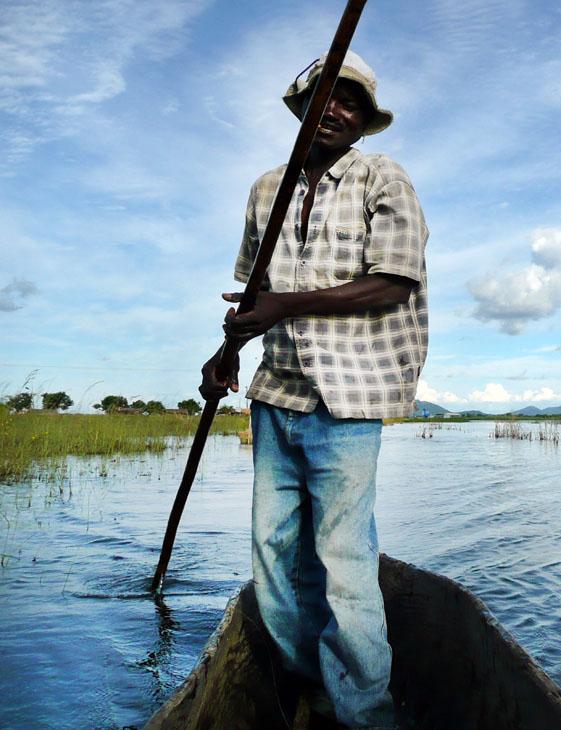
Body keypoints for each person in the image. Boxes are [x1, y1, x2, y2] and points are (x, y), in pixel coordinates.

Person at [199, 50, 428, 729]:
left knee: (343, 558)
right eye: (324, 97)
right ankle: (308, 682)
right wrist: (225, 351)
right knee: (273, 550)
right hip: (277, 395)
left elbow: (394, 281)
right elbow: (254, 297)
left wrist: (283, 307)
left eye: (351, 103)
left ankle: (366, 713)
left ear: (364, 121)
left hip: (349, 401)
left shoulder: (382, 177)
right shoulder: (266, 190)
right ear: (300, 109)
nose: (336, 109)